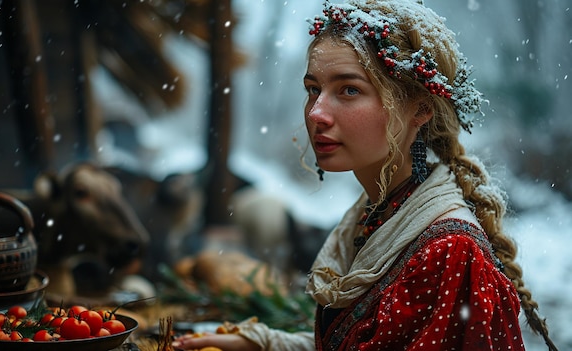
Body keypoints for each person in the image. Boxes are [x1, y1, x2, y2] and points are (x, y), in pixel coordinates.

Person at [173, 0, 557, 350]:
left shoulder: (449, 256)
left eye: (349, 90)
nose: (316, 113)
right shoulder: (377, 213)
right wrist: (258, 343)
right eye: (313, 89)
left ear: (419, 109)